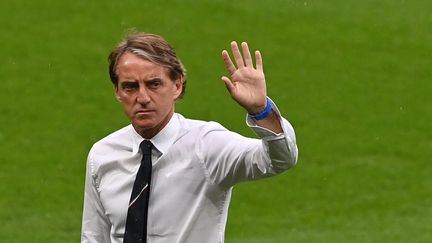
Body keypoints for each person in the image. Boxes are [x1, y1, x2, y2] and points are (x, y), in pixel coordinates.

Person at [81, 32, 298, 243]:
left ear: (177, 85)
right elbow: (94, 237)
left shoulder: (207, 145)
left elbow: (279, 160)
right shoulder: (103, 155)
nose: (143, 97)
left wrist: (261, 111)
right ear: (117, 92)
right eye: (130, 87)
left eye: (153, 84)